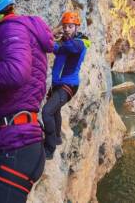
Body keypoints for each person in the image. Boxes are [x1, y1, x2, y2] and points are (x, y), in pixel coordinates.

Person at [0, 0, 53, 202]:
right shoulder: (10, 32)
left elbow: (16, 71)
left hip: (14, 149)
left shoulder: (11, 28)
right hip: (17, 145)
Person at [42, 11, 91, 160]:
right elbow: (50, 46)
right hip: (58, 84)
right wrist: (54, 35)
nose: (67, 29)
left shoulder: (79, 43)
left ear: (76, 27)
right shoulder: (65, 44)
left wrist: (59, 34)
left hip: (68, 85)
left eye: (70, 26)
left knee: (46, 112)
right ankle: (56, 137)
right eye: (65, 26)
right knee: (55, 110)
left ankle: (49, 149)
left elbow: (72, 47)